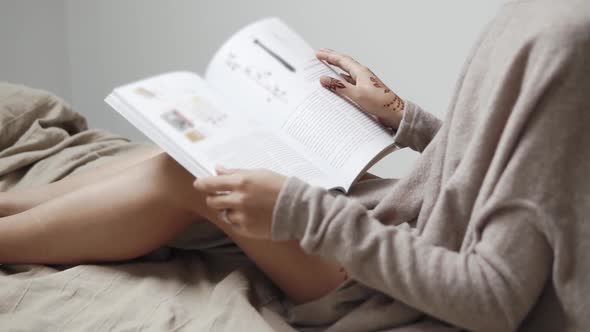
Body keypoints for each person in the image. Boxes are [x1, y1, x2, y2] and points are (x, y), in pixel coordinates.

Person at [1, 0, 589, 330]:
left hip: (390, 292)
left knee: (192, 178)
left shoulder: (567, 44)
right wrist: (401, 118)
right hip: (398, 224)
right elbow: (503, 158)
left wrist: (301, 210)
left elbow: (494, 296)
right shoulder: (544, 19)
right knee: (189, 147)